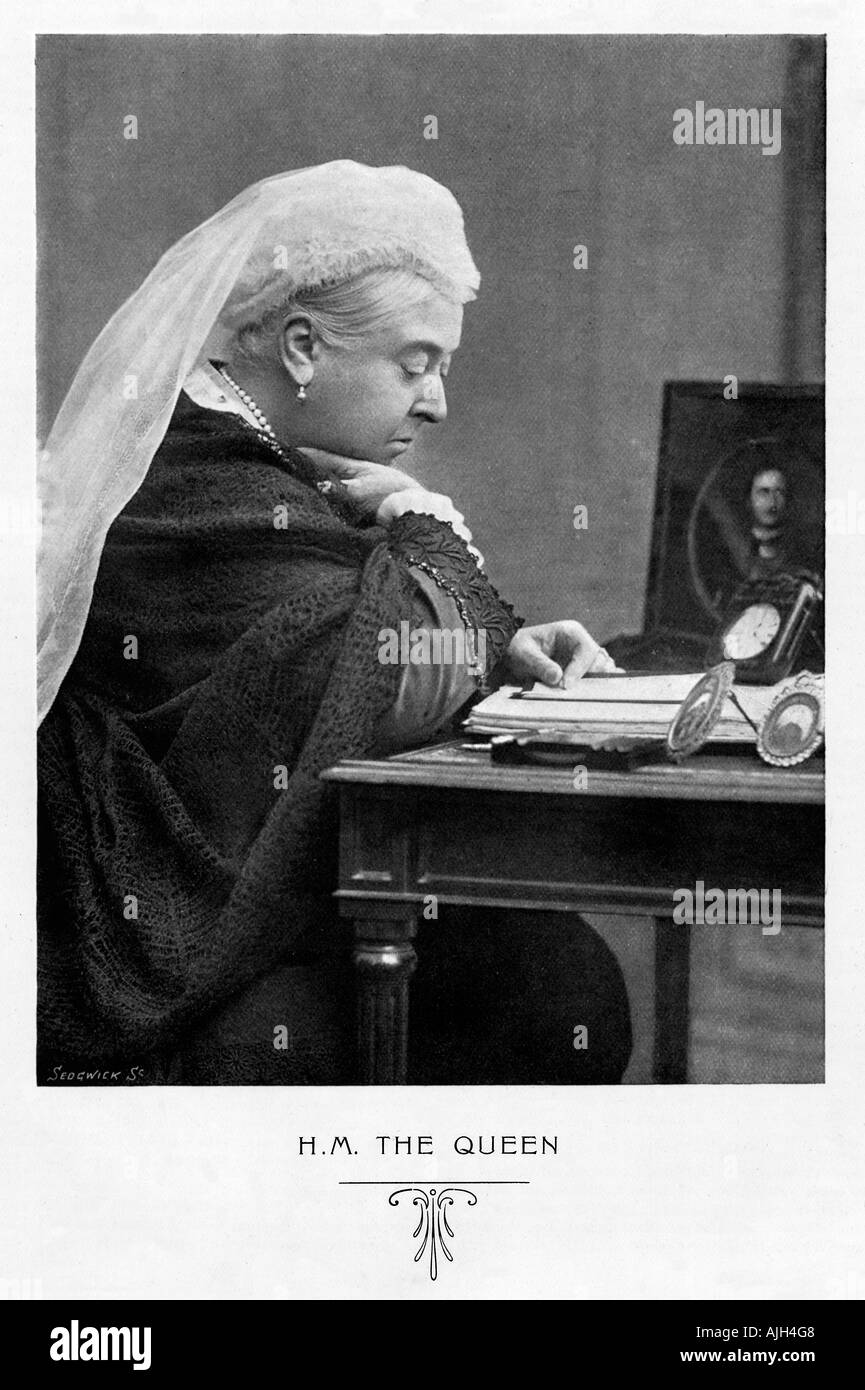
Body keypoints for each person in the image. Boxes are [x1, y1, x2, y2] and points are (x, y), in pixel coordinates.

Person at [37, 161, 632, 1085]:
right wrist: (418, 517)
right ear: (305, 347)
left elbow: (403, 631)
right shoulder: (197, 476)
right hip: (132, 932)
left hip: (227, 897)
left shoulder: (244, 459)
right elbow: (394, 664)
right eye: (416, 362)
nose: (435, 401)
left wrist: (498, 640)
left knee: (552, 972)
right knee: (555, 991)